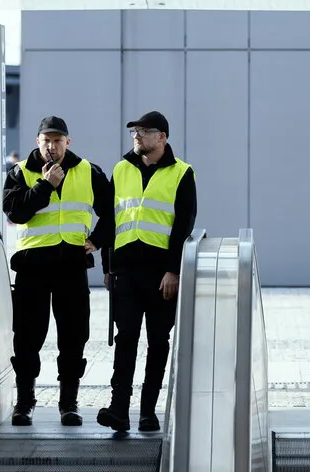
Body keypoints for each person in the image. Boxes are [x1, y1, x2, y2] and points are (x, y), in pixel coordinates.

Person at [2, 116, 113, 427]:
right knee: (26, 337)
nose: (51, 146)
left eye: (57, 140)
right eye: (46, 140)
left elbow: (112, 212)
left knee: (73, 337)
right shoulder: (20, 172)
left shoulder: (89, 172)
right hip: (32, 267)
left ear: (68, 142)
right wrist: (45, 185)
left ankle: (68, 402)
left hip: (71, 267)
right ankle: (25, 401)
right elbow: (16, 212)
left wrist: (97, 240)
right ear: (38, 142)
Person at [97, 111, 197, 433]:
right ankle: (119, 409)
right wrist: (106, 264)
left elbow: (183, 225)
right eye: (134, 132)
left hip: (160, 275)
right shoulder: (121, 169)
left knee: (158, 341)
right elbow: (112, 220)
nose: (137, 136)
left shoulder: (182, 173)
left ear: (162, 137)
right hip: (125, 270)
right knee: (125, 338)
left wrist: (173, 270)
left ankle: (148, 412)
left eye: (143, 131)